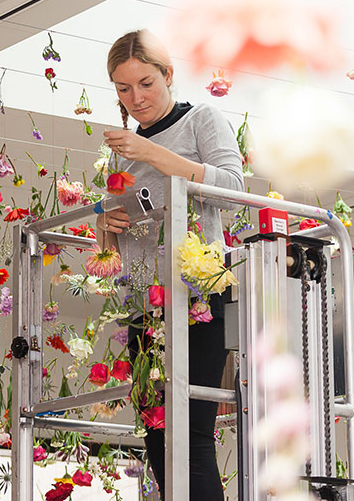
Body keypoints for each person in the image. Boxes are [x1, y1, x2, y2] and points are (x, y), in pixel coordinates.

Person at [96, 29, 244, 501]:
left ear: (168, 76)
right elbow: (124, 237)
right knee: (157, 439)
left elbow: (234, 190)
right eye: (123, 88)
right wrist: (108, 224)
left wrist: (154, 154)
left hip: (198, 296)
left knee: (190, 433)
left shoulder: (201, 119)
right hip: (144, 303)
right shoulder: (122, 154)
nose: (135, 98)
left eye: (145, 83)